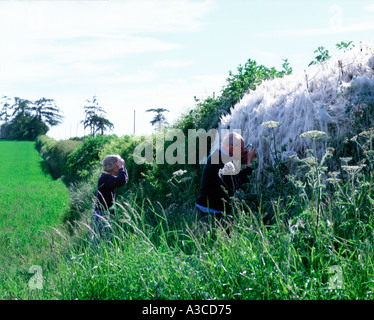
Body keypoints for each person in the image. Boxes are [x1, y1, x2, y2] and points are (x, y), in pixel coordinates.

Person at [194, 132, 257, 227]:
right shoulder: (221, 158)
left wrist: (242, 160)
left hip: (207, 211)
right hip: (208, 215)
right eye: (241, 148)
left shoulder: (219, 155)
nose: (243, 151)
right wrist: (249, 163)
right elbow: (236, 182)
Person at [92, 154, 129, 239]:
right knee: (100, 240)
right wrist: (121, 168)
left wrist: (123, 167)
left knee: (104, 239)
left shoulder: (106, 177)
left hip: (104, 213)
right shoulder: (105, 178)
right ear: (113, 164)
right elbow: (121, 180)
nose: (119, 166)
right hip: (101, 214)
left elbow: (124, 180)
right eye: (118, 164)